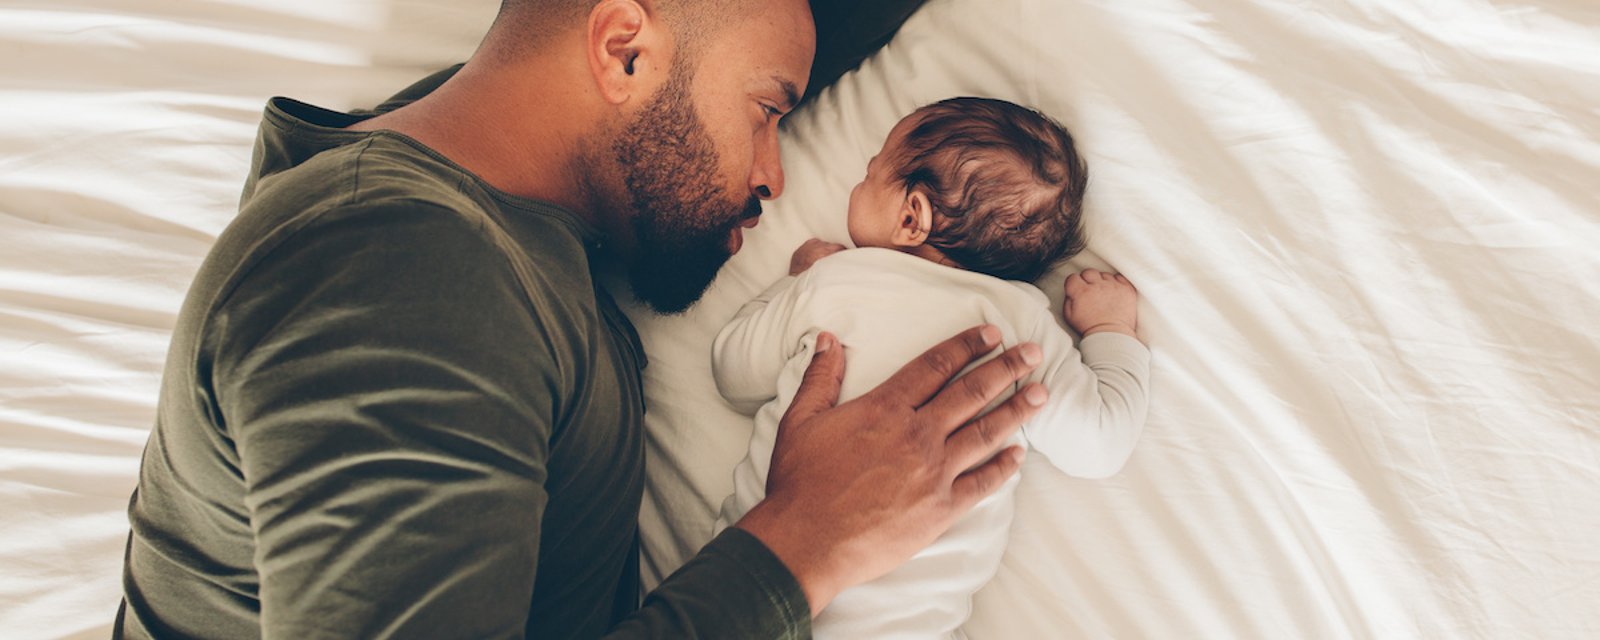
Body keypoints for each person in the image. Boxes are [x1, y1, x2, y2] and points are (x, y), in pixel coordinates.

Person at [115, 1, 1052, 638]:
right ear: (622, 50)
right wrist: (805, 540)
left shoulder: (481, 198)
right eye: (769, 109)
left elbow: (740, 31)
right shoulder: (393, 264)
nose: (776, 172)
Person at [711, 98, 1152, 639]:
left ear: (910, 217)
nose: (858, 183)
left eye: (872, 172)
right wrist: (1112, 332)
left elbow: (733, 373)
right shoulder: (1021, 325)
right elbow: (1099, 443)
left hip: (748, 593)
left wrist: (794, 281)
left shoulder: (839, 280)